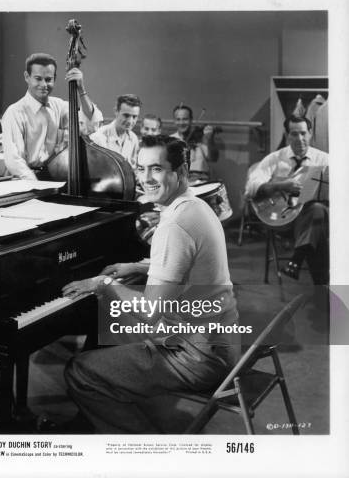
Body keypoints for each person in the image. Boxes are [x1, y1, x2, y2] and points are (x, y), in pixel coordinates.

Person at [61, 134, 239, 433]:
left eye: (156, 169)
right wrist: (138, 267)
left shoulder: (173, 225)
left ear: (180, 172)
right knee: (109, 326)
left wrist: (103, 283)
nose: (145, 179)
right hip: (222, 341)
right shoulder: (196, 206)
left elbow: (150, 311)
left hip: (195, 356)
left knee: (80, 371)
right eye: (140, 168)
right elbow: (185, 262)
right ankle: (96, 415)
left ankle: (146, 452)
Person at [246, 115, 329, 284]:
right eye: (294, 134)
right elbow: (251, 188)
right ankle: (322, 289)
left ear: (311, 133)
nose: (300, 139)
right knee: (317, 225)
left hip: (312, 217)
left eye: (303, 133)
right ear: (286, 135)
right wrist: (280, 186)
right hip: (284, 222)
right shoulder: (275, 158)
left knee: (317, 211)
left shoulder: (325, 159)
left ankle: (296, 260)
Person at [1, 53, 100, 180]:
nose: (43, 85)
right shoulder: (14, 112)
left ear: (54, 78)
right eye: (38, 78)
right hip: (25, 180)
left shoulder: (59, 106)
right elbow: (14, 160)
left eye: (48, 79)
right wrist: (37, 185)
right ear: (27, 77)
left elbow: (91, 125)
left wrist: (81, 89)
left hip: (53, 176)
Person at [89, 94, 141, 167]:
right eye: (126, 115)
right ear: (116, 111)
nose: (130, 121)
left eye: (134, 117)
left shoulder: (134, 138)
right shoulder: (98, 138)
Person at [171, 104, 219, 182]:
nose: (181, 123)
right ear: (174, 121)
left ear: (191, 120)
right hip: (179, 181)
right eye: (178, 119)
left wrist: (210, 139)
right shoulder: (170, 140)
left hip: (201, 180)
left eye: (185, 119)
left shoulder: (201, 138)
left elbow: (213, 158)